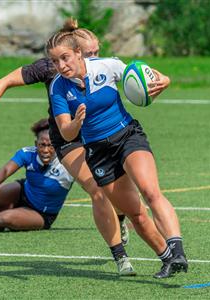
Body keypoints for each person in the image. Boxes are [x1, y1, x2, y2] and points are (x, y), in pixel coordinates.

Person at [0, 18, 173, 277]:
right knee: (98, 191)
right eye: (91, 53)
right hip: (69, 138)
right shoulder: (50, 68)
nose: (95, 57)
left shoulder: (96, 67)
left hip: (102, 133)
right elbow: (5, 80)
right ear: (76, 50)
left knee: (129, 193)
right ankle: (120, 256)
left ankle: (158, 242)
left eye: (97, 52)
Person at [46, 26, 188, 279]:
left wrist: (164, 80)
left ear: (79, 53)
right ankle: (167, 259)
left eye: (64, 57)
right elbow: (66, 133)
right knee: (135, 214)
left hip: (127, 136)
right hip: (98, 151)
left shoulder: (107, 66)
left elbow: (150, 75)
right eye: (55, 61)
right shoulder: (58, 88)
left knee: (150, 190)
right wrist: (76, 123)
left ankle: (177, 249)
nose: (61, 65)